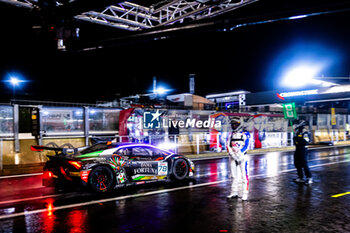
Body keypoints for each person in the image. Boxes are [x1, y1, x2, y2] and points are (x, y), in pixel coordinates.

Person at [227, 118, 250, 201]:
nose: (233, 126)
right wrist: (232, 154)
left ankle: (245, 193)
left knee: (244, 176)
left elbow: (247, 145)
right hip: (233, 157)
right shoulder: (231, 134)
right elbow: (228, 145)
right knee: (233, 176)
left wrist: (240, 154)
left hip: (242, 157)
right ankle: (234, 192)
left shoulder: (245, 134)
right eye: (232, 124)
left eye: (235, 124)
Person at [293, 120, 312, 184]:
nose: (295, 125)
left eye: (296, 124)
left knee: (304, 163)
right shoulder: (297, 131)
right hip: (297, 148)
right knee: (297, 163)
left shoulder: (304, 131)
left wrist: (298, 142)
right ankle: (300, 177)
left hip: (303, 149)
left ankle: (309, 178)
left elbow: (306, 141)